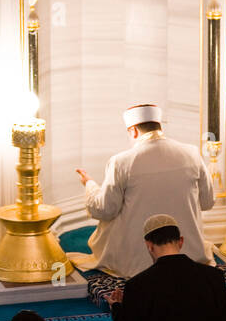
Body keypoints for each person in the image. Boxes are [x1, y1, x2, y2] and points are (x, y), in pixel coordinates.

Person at [70, 103, 214, 277]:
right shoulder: (191, 153)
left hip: (137, 260)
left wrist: (90, 184)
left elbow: (105, 210)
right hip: (187, 252)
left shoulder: (121, 162)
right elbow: (207, 202)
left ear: (134, 131)